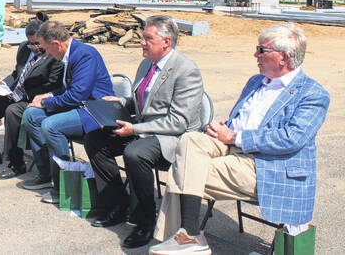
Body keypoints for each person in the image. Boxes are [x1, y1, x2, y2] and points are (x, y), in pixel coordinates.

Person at [149, 23, 330, 255]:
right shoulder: (257, 81)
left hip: (265, 164)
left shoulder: (313, 94)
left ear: (284, 58)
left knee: (182, 170)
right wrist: (224, 127)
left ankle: (184, 236)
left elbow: (291, 138)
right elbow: (242, 121)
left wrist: (236, 136)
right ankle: (188, 235)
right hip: (232, 147)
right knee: (190, 140)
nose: (256, 54)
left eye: (262, 50)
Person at [84, 15, 204, 249]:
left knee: (134, 152)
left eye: (148, 38)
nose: (142, 42)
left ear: (166, 42)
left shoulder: (186, 70)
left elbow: (178, 121)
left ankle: (145, 221)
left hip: (172, 137)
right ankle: (118, 203)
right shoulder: (147, 63)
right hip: (143, 128)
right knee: (95, 140)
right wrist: (121, 101)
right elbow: (145, 102)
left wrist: (135, 129)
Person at [21, 21, 114, 204]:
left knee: (51, 125)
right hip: (79, 106)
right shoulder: (67, 54)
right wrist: (48, 95)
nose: (46, 52)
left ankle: (62, 184)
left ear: (56, 43)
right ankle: (45, 173)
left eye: (46, 48)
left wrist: (46, 102)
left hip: (94, 111)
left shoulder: (85, 55)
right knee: (30, 115)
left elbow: (77, 95)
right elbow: (68, 89)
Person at [0, 13, 64, 179]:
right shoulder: (24, 49)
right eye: (31, 43)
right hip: (17, 93)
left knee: (12, 112)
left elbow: (52, 86)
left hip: (36, 99)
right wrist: (4, 84)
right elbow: (17, 73)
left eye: (37, 44)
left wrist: (25, 94)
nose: (34, 47)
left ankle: (16, 163)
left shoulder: (53, 57)